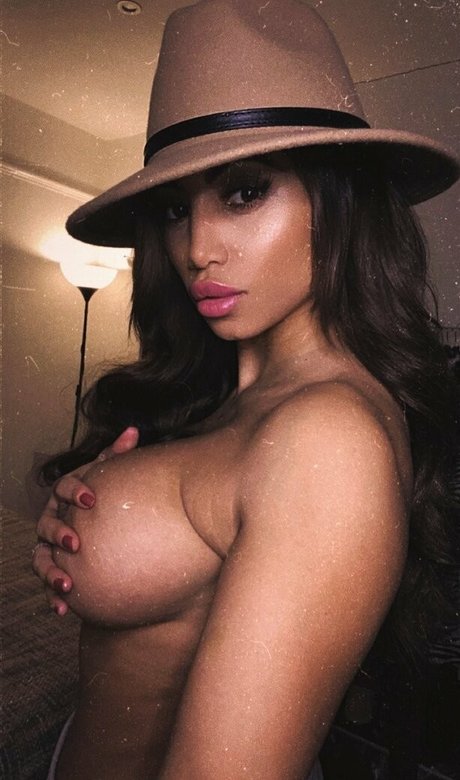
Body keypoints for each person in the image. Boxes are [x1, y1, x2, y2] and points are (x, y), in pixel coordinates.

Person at [32, 1, 459, 778]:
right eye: (175, 209)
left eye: (242, 193)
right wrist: (90, 519)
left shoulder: (328, 439)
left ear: (338, 197)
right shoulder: (251, 396)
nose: (197, 248)